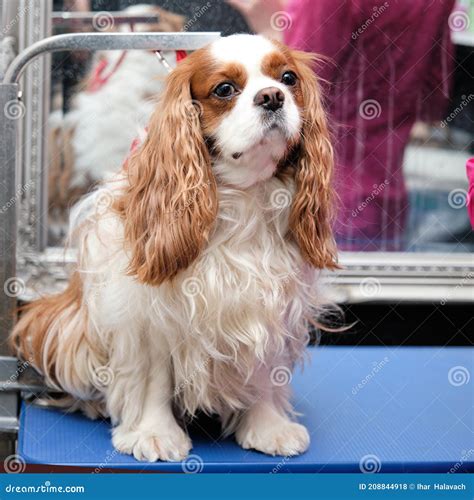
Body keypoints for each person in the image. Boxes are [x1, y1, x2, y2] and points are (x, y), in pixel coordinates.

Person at [229, 0, 456, 251]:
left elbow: (298, 96)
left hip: (319, 203)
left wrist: (268, 25)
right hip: (389, 209)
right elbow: (435, 99)